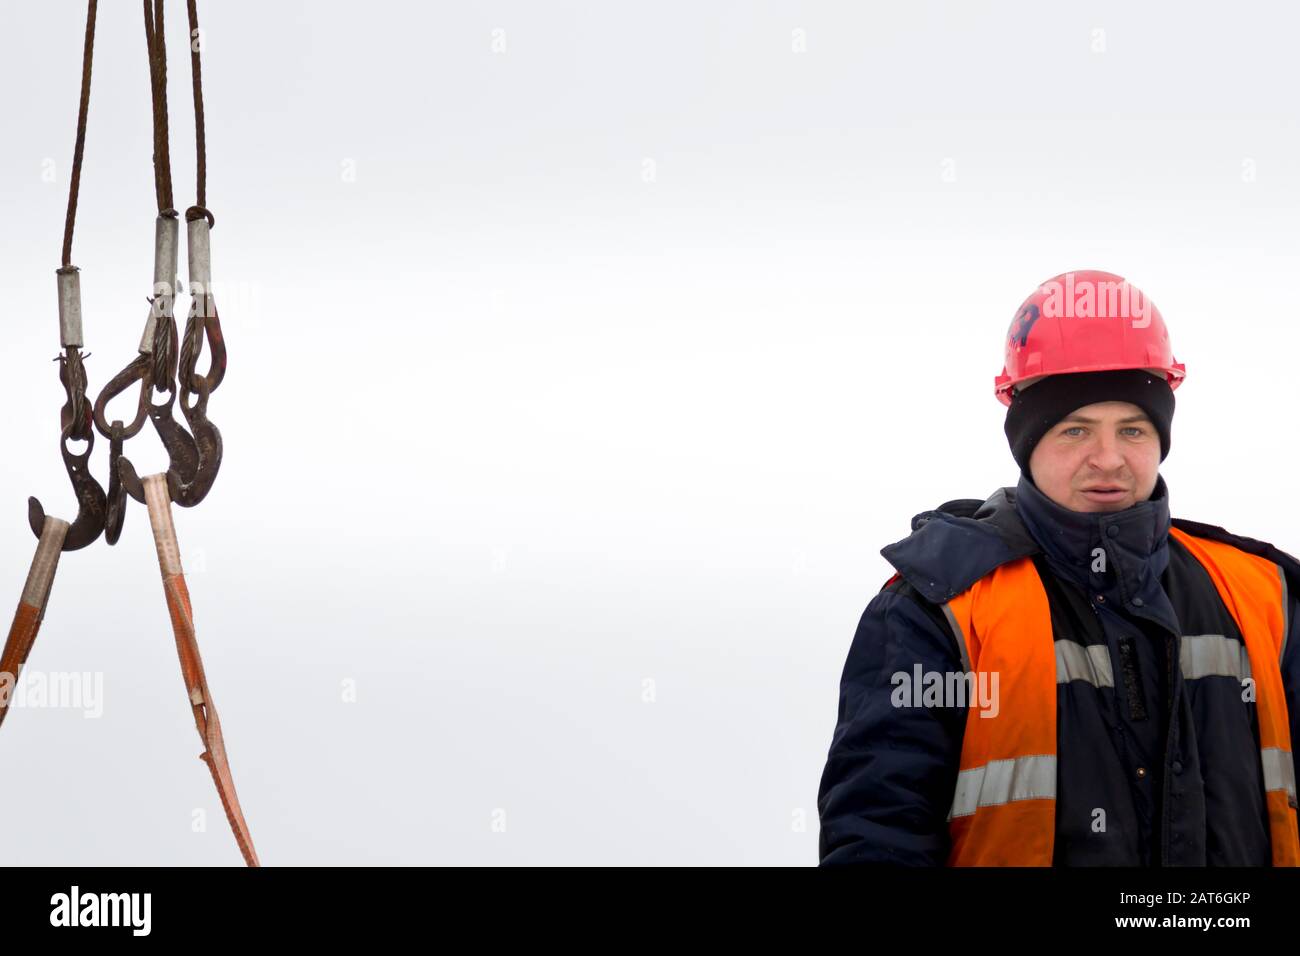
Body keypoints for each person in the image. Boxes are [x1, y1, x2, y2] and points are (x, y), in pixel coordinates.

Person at [816, 270, 1300, 866]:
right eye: (1075, 430)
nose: (1108, 459)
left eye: (1133, 429)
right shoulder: (940, 608)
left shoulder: (1263, 596)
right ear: (1027, 442)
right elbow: (879, 833)